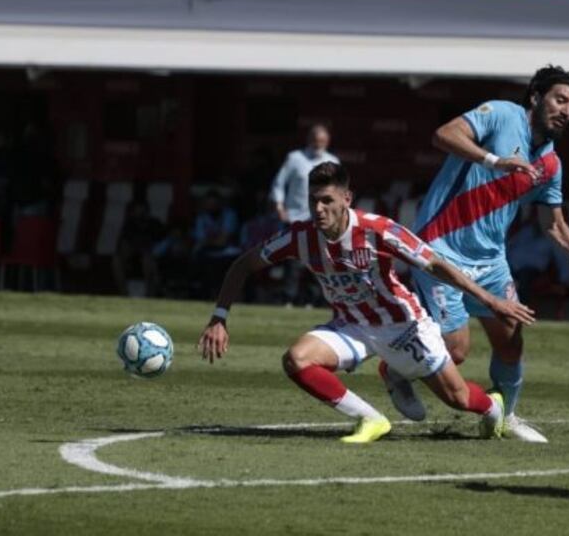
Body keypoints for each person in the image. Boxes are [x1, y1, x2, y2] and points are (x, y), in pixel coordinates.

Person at [198, 162, 536, 443]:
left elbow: (434, 263)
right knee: (296, 360)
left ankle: (493, 406)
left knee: (459, 398)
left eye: (327, 200)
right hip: (352, 326)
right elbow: (243, 264)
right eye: (313, 201)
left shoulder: (378, 230)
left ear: (347, 198)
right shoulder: (300, 236)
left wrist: (490, 300)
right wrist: (219, 317)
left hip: (403, 326)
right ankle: (371, 419)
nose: (319, 209)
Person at [394, 65, 569, 443]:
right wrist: (493, 160)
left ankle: (506, 417)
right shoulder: (502, 114)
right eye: (560, 100)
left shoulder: (550, 163)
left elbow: (553, 223)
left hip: (491, 261)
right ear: (536, 97)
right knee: (455, 350)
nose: (566, 111)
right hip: (439, 249)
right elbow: (444, 135)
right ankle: (394, 370)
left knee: (511, 341)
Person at [270, 124, 339, 305]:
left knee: (319, 261)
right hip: (294, 218)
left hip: (322, 219)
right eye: (315, 140)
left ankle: (313, 300)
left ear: (327, 142)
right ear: (309, 140)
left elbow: (337, 191)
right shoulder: (295, 158)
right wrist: (279, 207)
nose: (318, 144)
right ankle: (288, 299)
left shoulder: (332, 161)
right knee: (293, 261)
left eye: (322, 141)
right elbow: (279, 183)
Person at [112, 202, 165, 297]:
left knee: (147, 259)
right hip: (133, 254)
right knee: (116, 261)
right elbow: (125, 242)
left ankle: (149, 294)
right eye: (137, 210)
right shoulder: (129, 224)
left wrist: (147, 247)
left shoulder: (154, 223)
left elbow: (160, 240)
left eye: (142, 210)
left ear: (147, 211)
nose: (140, 213)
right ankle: (124, 293)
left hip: (150, 254)